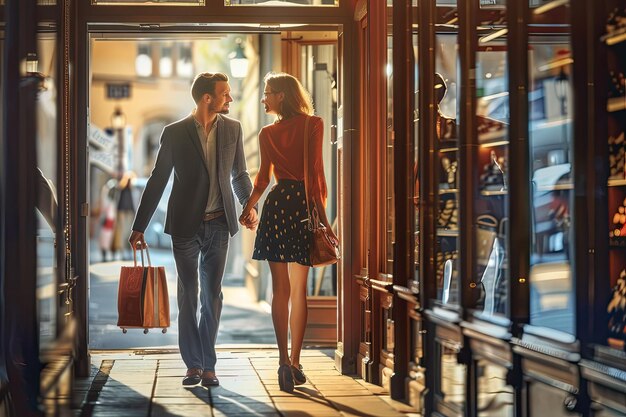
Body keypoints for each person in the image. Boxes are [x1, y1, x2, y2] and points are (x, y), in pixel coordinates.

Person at [129, 72, 258, 387]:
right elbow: (159, 178)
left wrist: (250, 205)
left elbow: (239, 174)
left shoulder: (233, 129)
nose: (229, 98)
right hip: (185, 224)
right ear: (207, 98)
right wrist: (139, 226)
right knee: (189, 293)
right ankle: (193, 365)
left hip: (219, 224)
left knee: (212, 295)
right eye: (224, 94)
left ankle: (208, 365)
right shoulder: (175, 132)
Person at [239, 72, 338, 393]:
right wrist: (322, 218)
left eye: (267, 93)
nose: (264, 98)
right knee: (299, 289)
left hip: (277, 206)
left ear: (282, 95)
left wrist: (250, 206)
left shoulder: (267, 133)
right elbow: (314, 175)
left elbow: (263, 181)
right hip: (301, 207)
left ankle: (282, 360)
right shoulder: (313, 125)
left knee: (279, 290)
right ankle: (295, 363)